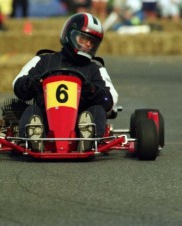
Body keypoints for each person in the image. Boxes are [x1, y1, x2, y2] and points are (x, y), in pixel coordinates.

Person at [12, 13, 118, 152]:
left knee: (97, 111)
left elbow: (110, 100)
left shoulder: (95, 69)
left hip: (79, 119)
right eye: (84, 38)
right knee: (32, 111)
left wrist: (92, 90)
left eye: (92, 42)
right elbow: (17, 85)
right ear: (70, 35)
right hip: (46, 118)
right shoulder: (44, 60)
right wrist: (32, 83)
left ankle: (87, 137)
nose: (88, 44)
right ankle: (35, 137)